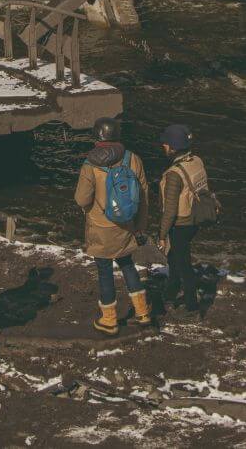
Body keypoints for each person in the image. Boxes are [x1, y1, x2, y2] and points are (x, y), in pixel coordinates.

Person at [73, 117, 151, 335]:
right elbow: (144, 197)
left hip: (100, 228)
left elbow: (81, 200)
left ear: (97, 136)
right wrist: (140, 227)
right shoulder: (133, 159)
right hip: (126, 226)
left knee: (105, 271)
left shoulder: (90, 165)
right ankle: (143, 312)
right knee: (127, 264)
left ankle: (109, 320)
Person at [155, 124, 216, 314]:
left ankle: (191, 306)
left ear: (173, 147)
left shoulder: (174, 175)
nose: (163, 146)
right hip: (194, 220)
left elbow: (170, 211)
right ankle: (171, 292)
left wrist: (162, 234)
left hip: (181, 224)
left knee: (184, 265)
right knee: (174, 258)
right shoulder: (196, 160)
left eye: (165, 144)